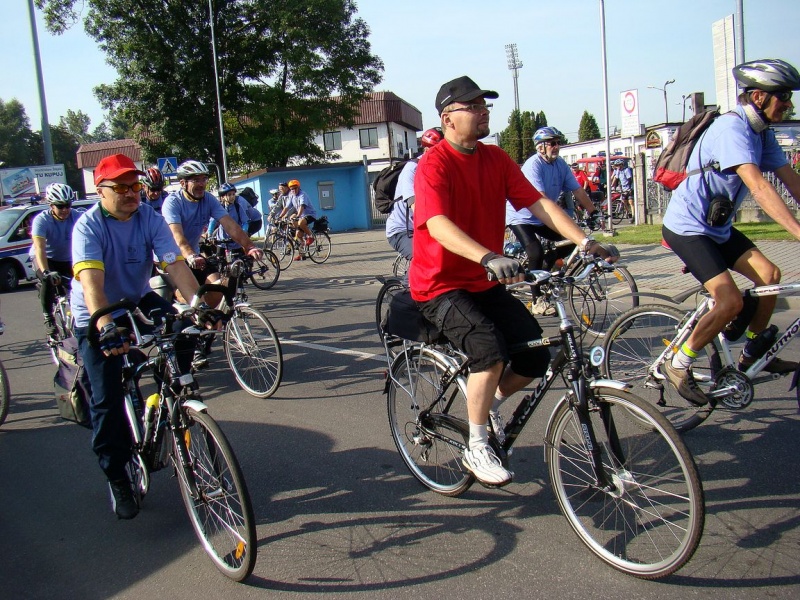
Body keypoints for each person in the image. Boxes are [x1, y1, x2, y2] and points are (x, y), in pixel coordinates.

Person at [410, 75, 617, 486]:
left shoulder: (496, 159)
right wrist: (488, 256)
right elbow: (437, 224)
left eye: (484, 105)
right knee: (489, 351)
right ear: (448, 118)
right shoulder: (434, 164)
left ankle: (485, 404)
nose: (483, 111)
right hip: (439, 285)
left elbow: (538, 203)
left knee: (534, 358)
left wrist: (585, 241)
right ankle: (476, 445)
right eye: (473, 106)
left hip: (483, 282)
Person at [71, 153, 223, 520]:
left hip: (137, 298)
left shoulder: (148, 218)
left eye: (134, 186)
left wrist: (197, 306)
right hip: (97, 312)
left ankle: (173, 396)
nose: (130, 193)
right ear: (100, 190)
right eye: (120, 187)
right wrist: (106, 326)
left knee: (182, 331)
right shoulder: (88, 226)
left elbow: (175, 266)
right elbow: (92, 286)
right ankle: (117, 477)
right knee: (107, 400)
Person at [661, 58, 800, 407]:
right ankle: (678, 363)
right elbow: (760, 188)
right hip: (688, 227)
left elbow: (792, 182)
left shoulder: (761, 133)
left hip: (717, 229)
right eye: (783, 95)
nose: (789, 103)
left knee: (770, 277)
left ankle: (753, 352)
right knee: (730, 300)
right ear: (758, 97)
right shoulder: (732, 129)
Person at [507, 126, 602, 314]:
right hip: (521, 216)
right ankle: (537, 300)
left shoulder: (560, 165)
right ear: (541, 147)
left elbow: (578, 190)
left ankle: (548, 262)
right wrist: (562, 219)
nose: (557, 146)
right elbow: (541, 200)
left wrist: (593, 212)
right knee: (535, 251)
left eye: (558, 142)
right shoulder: (533, 165)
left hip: (542, 216)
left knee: (573, 240)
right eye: (552, 143)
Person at [30, 183, 85, 337]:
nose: (65, 210)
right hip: (45, 258)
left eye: (68, 205)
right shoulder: (42, 220)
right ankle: (48, 318)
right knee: (48, 279)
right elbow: (39, 248)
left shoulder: (77, 216)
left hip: (68, 259)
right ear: (51, 205)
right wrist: (46, 272)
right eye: (60, 206)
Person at [385, 127, 444, 262]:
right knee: (422, 260)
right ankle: (412, 277)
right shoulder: (412, 169)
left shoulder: (442, 169)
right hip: (402, 230)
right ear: (427, 150)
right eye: (438, 150)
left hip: (427, 228)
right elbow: (416, 207)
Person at [278, 179, 317, 260]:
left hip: (310, 215)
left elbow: (302, 206)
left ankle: (311, 236)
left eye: (295, 188)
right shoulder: (291, 195)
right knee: (298, 235)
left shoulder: (303, 194)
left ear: (298, 187)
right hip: (301, 216)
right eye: (292, 189)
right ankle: (302, 254)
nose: (293, 190)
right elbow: (286, 207)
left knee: (301, 222)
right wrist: (280, 216)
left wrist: (298, 215)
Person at [208, 182, 254, 247]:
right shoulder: (220, 208)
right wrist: (209, 234)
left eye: (233, 194)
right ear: (222, 197)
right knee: (218, 253)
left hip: (236, 241)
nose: (232, 197)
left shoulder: (238, 207)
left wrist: (244, 231)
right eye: (229, 195)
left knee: (243, 252)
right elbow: (213, 221)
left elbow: (245, 222)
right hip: (222, 241)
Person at [610, 158, 634, 223]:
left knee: (631, 202)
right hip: (623, 188)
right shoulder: (618, 171)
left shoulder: (626, 170)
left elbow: (630, 179)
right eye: (616, 165)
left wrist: (630, 188)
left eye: (618, 165)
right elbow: (616, 178)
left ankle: (633, 216)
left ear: (621, 165)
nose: (617, 167)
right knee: (623, 201)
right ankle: (628, 212)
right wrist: (611, 185)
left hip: (628, 188)